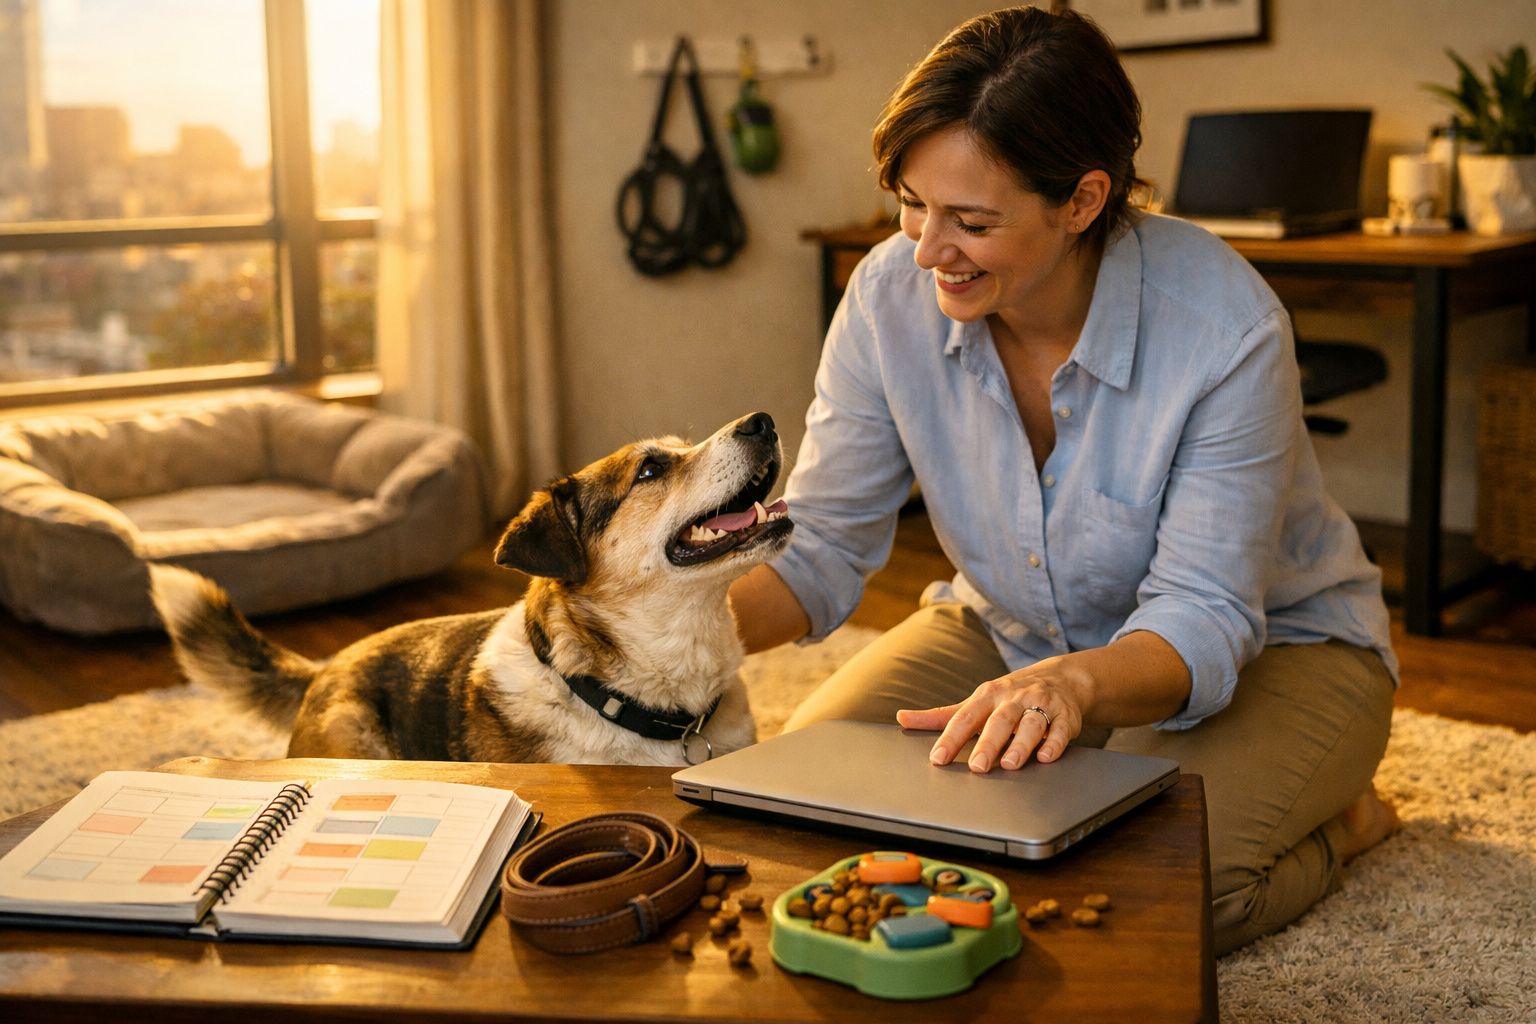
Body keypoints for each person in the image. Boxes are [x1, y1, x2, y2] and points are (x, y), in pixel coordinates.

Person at [728, 4, 1400, 955]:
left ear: (1083, 201)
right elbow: (825, 540)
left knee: (1127, 905)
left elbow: (1204, 610)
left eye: (971, 220)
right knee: (803, 826)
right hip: (1007, 627)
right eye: (912, 204)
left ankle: (1346, 822)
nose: (924, 251)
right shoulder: (888, 295)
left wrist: (1073, 690)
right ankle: (1091, 754)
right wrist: (661, 638)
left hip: (1277, 649)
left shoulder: (1225, 328)